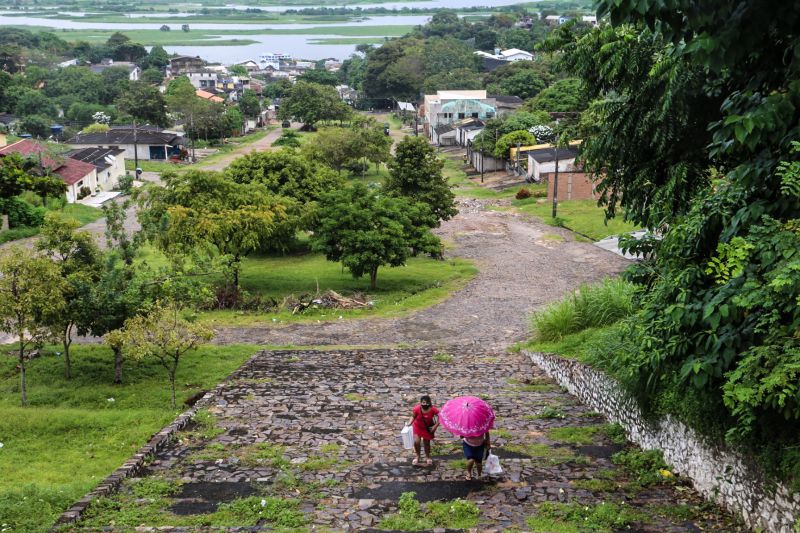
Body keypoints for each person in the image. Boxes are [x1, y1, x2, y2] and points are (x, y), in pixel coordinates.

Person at [405, 395, 439, 466]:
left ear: (429, 403)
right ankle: (418, 456)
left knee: (426, 443)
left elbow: (440, 416)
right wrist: (409, 423)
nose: (425, 404)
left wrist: (435, 426)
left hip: (427, 428)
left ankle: (427, 457)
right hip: (418, 427)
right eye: (423, 402)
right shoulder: (417, 409)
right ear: (421, 403)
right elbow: (413, 416)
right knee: (417, 442)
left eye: (427, 403)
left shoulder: (433, 409)